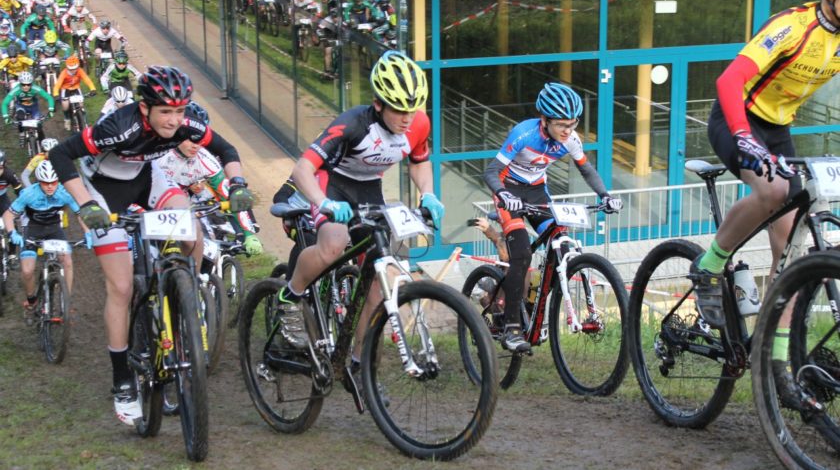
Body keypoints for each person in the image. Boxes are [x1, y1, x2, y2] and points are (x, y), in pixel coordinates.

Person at [50, 65, 254, 426]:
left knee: (191, 229)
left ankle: (186, 295)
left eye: (180, 110)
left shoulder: (185, 122)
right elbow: (61, 155)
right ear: (145, 108)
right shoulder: (119, 126)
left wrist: (237, 184)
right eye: (165, 112)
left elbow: (225, 148)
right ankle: (122, 381)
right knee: (121, 287)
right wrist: (86, 205)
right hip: (103, 190)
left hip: (147, 178)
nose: (175, 120)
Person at [688, 0, 840, 412]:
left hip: (778, 129)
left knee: (790, 257)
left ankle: (773, 361)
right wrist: (742, 136)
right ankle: (710, 263)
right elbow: (728, 82)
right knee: (773, 190)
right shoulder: (793, 27)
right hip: (737, 118)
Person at [281, 50, 444, 399]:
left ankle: (359, 367)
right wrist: (324, 203)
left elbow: (419, 161)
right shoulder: (353, 123)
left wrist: (428, 194)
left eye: (412, 108)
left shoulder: (418, 123)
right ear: (378, 103)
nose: (406, 117)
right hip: (330, 184)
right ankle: (290, 295)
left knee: (378, 287)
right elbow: (302, 169)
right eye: (398, 108)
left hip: (369, 190)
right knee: (333, 245)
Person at [483, 82, 622, 353]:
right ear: (544, 120)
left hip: (537, 192)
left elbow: (587, 170)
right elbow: (491, 171)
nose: (568, 130)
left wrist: (605, 195)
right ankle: (511, 327)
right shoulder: (523, 134)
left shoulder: (570, 139)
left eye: (573, 124)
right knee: (522, 254)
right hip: (508, 190)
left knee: (563, 248)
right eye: (561, 125)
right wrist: (503, 194)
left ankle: (532, 306)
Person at [2, 160, 91, 325]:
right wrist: (12, 232)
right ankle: (31, 303)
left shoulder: (64, 193)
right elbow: (9, 215)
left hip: (54, 229)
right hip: (32, 229)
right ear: (38, 181)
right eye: (45, 183)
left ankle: (66, 302)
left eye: (53, 182)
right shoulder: (28, 194)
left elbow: (80, 213)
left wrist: (87, 232)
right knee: (27, 270)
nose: (50, 186)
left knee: (67, 261)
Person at [156, 137, 263, 256]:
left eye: (199, 141)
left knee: (203, 245)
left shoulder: (205, 159)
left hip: (187, 201)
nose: (195, 146)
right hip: (155, 200)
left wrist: (249, 234)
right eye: (190, 141)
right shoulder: (159, 154)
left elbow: (229, 194)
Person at [2, 71, 54, 147]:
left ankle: (43, 144)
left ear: (31, 83)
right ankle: (22, 134)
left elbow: (49, 97)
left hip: (34, 108)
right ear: (20, 83)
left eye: (28, 84)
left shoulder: (35, 88)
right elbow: (5, 103)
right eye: (23, 84)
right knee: (20, 118)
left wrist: (51, 110)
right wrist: (6, 116)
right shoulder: (16, 90)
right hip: (21, 106)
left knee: (39, 125)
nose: (26, 86)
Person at [53, 54, 96, 131]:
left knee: (81, 105)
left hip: (76, 88)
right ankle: (67, 118)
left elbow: (87, 80)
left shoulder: (80, 71)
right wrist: (56, 94)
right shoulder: (64, 73)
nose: (73, 70)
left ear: (78, 66)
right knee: (65, 105)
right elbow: (57, 85)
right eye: (71, 69)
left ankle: (84, 121)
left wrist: (93, 89)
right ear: (67, 67)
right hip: (66, 89)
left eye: (75, 68)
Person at [0, 150, 22, 264]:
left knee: (12, 224)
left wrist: (21, 207)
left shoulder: (9, 174)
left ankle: (12, 254)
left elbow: (20, 192)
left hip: (2, 200)